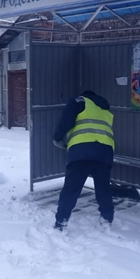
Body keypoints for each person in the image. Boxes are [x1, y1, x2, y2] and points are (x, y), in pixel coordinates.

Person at [52, 90, 115, 231]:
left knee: (71, 189)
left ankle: (61, 222)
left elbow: (65, 121)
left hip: (82, 152)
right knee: (103, 188)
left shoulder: (79, 101)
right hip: (104, 152)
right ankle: (106, 220)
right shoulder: (105, 109)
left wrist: (57, 138)